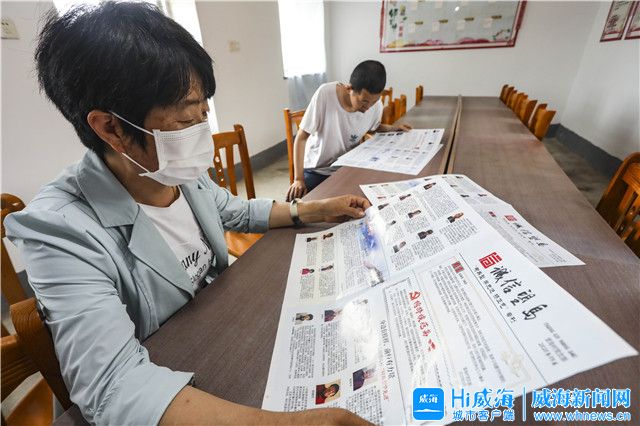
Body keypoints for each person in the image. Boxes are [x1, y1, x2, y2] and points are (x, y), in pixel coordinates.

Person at [4, 3, 370, 425]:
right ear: (111, 127)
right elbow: (113, 387)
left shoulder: (175, 171)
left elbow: (234, 211)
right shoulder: (59, 229)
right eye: (185, 119)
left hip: (220, 336)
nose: (202, 134)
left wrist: (317, 207)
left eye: (204, 114)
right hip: (170, 384)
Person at [286, 61, 412, 201]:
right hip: (316, 170)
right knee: (298, 204)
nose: (368, 108)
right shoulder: (326, 94)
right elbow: (301, 137)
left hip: (348, 167)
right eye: (364, 101)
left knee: (373, 200)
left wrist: (393, 128)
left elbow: (374, 127)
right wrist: (298, 179)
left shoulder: (376, 106)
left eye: (373, 102)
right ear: (349, 88)